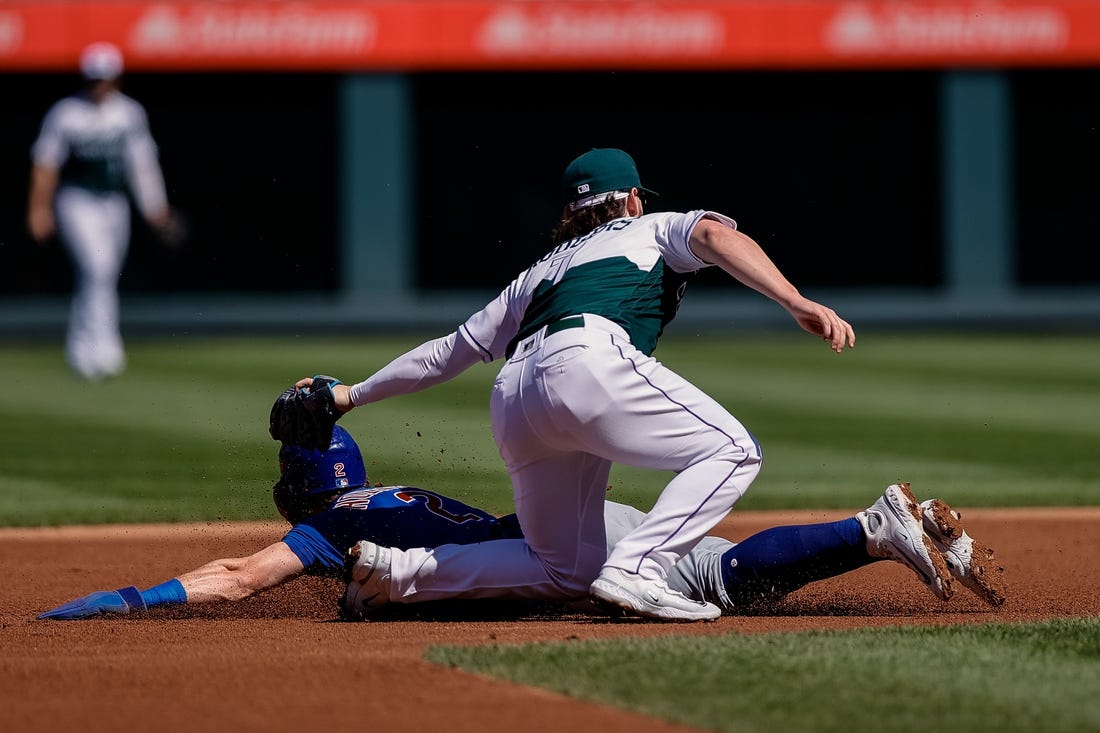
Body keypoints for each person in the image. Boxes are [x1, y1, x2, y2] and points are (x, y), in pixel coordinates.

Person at [302, 147, 861, 621]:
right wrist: (794, 300)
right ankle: (638, 568)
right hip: (588, 362)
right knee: (734, 450)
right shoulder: (650, 228)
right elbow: (713, 233)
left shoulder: (539, 271)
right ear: (633, 199)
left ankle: (395, 573)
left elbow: (449, 353)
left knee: (563, 568)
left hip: (514, 395)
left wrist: (350, 394)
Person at [36, 426, 1006, 620]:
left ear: (296, 492)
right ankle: (867, 525)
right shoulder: (388, 496)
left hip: (558, 548)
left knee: (717, 581)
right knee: (714, 562)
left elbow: (239, 578)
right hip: (571, 521)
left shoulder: (330, 531)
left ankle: (874, 529)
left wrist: (122, 597)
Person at [26, 41, 183, 381]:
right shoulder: (66, 113)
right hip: (76, 200)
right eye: (93, 77)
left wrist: (156, 208)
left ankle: (89, 346)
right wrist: (39, 208)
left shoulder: (128, 112)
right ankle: (97, 348)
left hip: (114, 201)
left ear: (116, 79)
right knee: (97, 267)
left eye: (105, 78)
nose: (99, 84)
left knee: (106, 273)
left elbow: (142, 165)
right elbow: (45, 164)